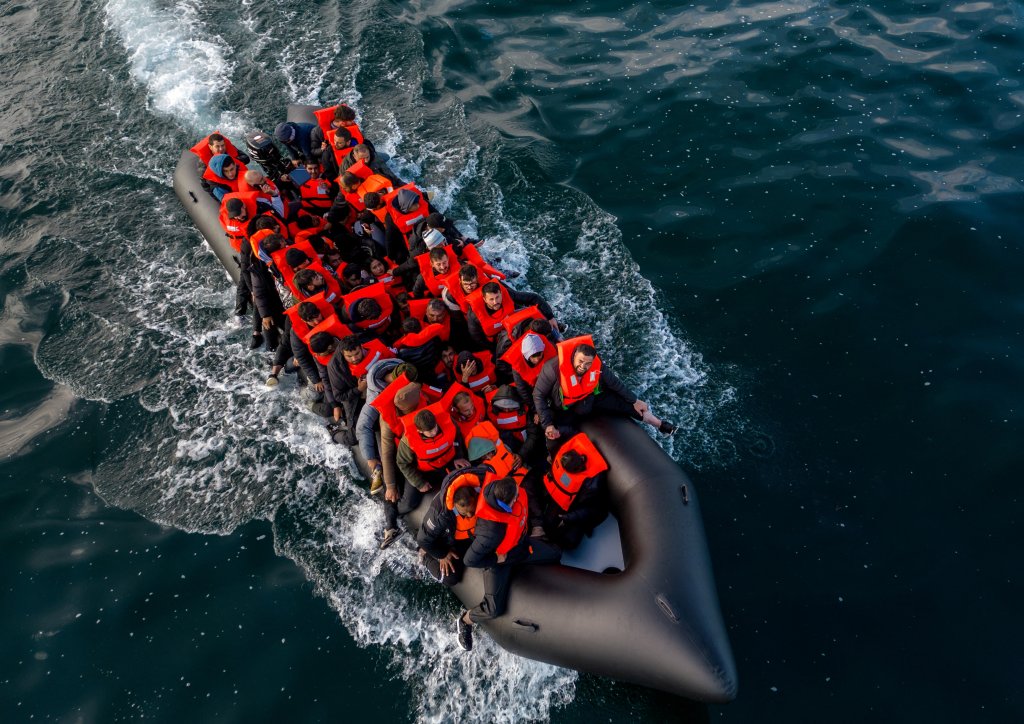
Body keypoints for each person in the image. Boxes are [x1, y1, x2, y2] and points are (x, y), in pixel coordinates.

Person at [455, 477, 561, 651]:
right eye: (515, 498)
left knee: (555, 553)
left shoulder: (507, 490)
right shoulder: (490, 533)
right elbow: (470, 559)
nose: (518, 496)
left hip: (520, 546)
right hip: (500, 561)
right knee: (493, 609)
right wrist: (497, 559)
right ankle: (465, 620)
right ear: (507, 504)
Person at [533, 335, 676, 452]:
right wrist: (548, 424)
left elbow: (614, 382)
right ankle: (553, 459)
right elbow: (538, 395)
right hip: (565, 407)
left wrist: (634, 400)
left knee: (627, 404)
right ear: (574, 355)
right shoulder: (552, 369)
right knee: (554, 436)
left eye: (588, 363)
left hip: (590, 398)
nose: (583, 367)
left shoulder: (596, 364)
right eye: (580, 361)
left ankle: (659, 423)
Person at [533, 433, 610, 549]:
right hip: (563, 499)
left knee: (570, 541)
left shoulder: (592, 483)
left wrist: (569, 517)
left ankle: (583, 528)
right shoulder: (563, 457)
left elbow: (590, 507)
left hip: (581, 507)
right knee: (548, 524)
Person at [416, 468, 484, 586]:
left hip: (471, 534)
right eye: (464, 513)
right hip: (449, 541)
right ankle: (425, 556)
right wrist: (442, 554)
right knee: (450, 578)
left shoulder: (483, 487)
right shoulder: (439, 514)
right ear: (454, 504)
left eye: (472, 511)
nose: (469, 515)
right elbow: (423, 539)